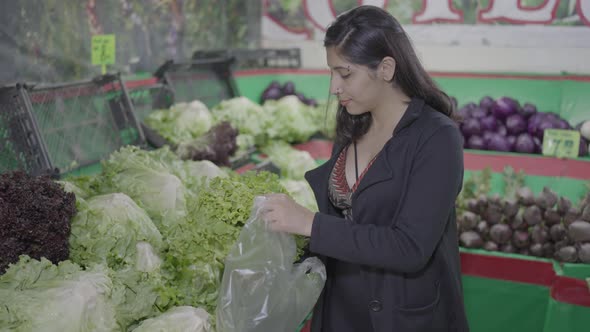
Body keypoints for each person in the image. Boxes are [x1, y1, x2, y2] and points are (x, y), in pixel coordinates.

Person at [261, 5, 469, 332]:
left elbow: (410, 247)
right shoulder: (352, 126)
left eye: (345, 74)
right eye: (331, 72)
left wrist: (310, 224)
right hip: (340, 312)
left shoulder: (437, 138)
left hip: (402, 318)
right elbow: (345, 223)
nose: (334, 87)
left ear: (386, 68)